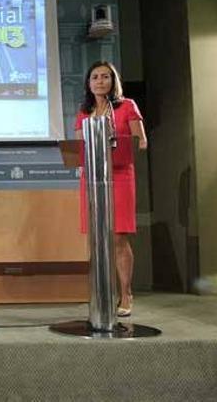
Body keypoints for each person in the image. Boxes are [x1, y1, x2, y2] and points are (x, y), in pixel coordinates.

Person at [74, 61, 147, 317]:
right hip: (92, 179)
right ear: (89, 83)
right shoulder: (84, 111)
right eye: (95, 77)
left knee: (117, 238)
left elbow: (141, 142)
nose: (100, 81)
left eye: (105, 76)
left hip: (119, 176)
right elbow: (79, 147)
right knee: (96, 240)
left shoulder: (127, 106)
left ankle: (125, 293)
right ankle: (100, 294)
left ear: (113, 81)